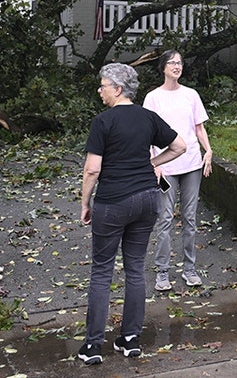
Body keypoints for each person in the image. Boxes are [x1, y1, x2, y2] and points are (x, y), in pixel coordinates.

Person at [78, 63, 186, 365]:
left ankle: (93, 346)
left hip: (113, 202)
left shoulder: (103, 121)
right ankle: (130, 339)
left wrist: (85, 203)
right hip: (147, 200)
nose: (99, 91)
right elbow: (180, 146)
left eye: (103, 86)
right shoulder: (148, 117)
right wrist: (152, 165)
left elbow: (92, 169)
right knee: (136, 268)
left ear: (118, 88)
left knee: (102, 271)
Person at [143, 50, 214, 292]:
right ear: (163, 67)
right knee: (164, 219)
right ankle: (162, 272)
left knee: (190, 218)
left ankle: (189, 269)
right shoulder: (152, 98)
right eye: (172, 62)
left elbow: (199, 128)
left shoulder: (191, 94)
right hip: (166, 168)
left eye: (180, 62)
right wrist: (155, 164)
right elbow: (148, 136)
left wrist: (209, 151)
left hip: (192, 163)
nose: (177, 66)